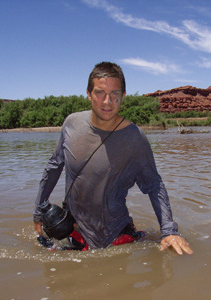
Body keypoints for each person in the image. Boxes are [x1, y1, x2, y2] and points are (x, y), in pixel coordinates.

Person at [33, 62, 193, 255]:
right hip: (75, 233)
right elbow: (53, 167)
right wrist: (38, 212)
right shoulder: (71, 124)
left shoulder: (135, 138)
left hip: (116, 237)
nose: (107, 101)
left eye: (114, 94)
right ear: (89, 94)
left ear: (123, 96)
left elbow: (154, 184)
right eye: (100, 93)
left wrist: (169, 231)